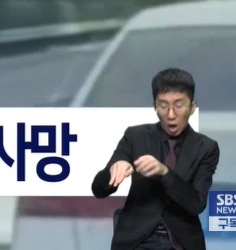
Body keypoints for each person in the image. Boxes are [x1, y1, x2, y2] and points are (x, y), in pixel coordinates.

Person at [92, 68, 220, 250]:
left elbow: (196, 204)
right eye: (163, 105)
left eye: (179, 105)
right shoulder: (135, 136)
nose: (171, 115)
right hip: (137, 241)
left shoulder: (206, 148)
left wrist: (165, 173)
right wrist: (112, 172)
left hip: (181, 242)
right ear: (155, 106)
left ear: (192, 107)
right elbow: (98, 190)